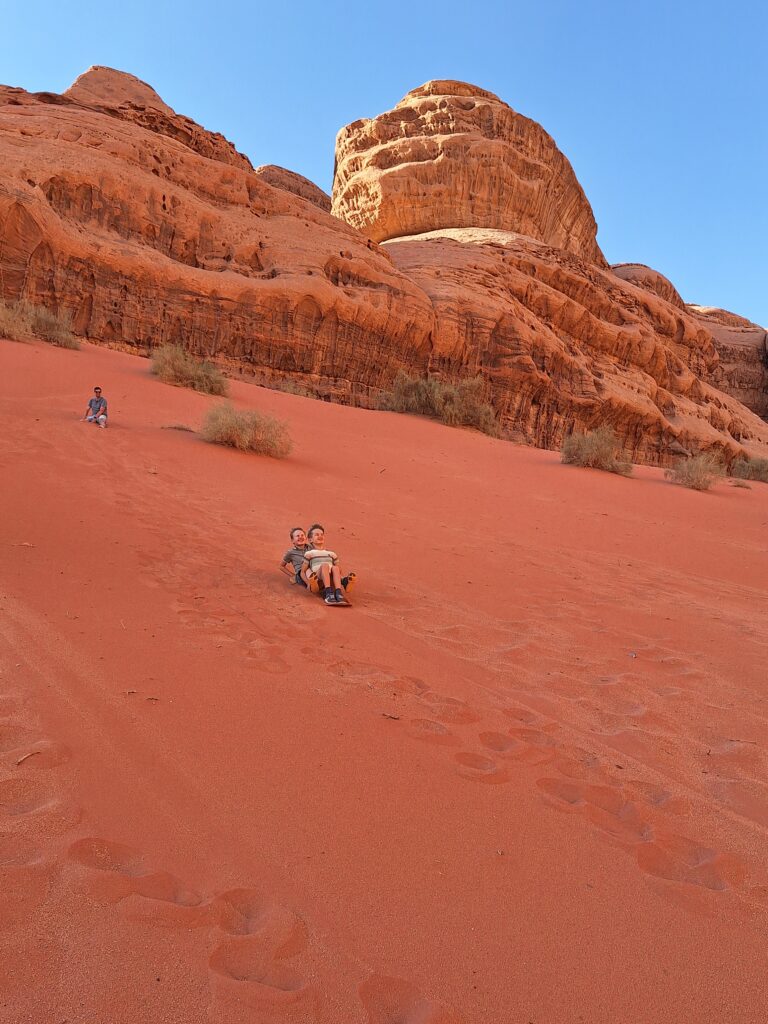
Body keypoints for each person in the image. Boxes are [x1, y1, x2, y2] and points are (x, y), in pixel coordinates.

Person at [302, 524, 347, 605]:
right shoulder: (309, 553)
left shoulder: (332, 553)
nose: (320, 536)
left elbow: (339, 571)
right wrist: (308, 582)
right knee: (325, 565)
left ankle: (338, 593)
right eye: (317, 534)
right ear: (310, 539)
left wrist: (343, 579)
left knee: (335, 568)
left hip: (331, 577)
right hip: (318, 578)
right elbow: (303, 571)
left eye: (322, 534)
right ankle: (328, 593)